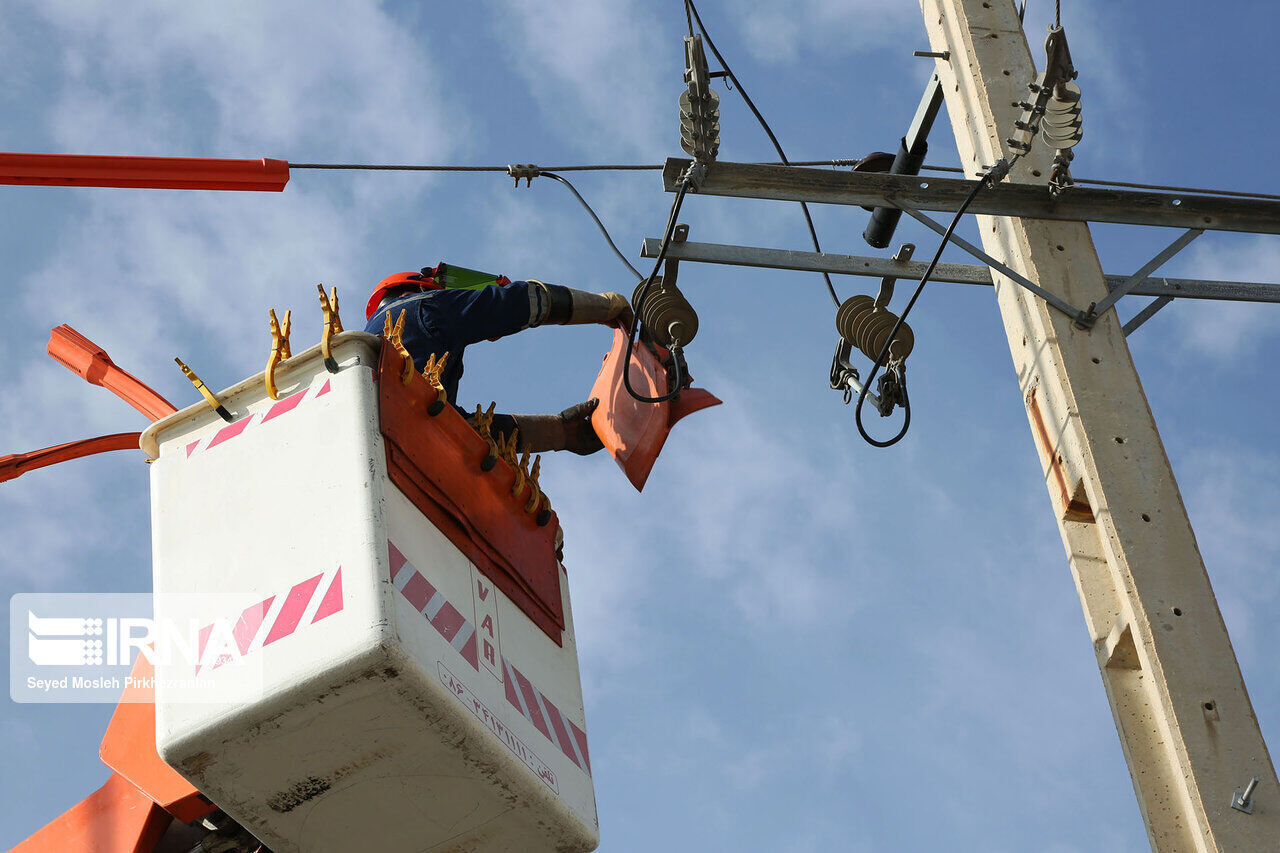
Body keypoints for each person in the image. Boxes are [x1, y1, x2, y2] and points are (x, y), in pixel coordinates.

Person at [364, 266, 632, 455]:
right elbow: (513, 304)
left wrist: (560, 431)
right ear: (415, 288)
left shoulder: (373, 353)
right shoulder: (424, 307)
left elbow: (461, 430)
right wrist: (604, 307)